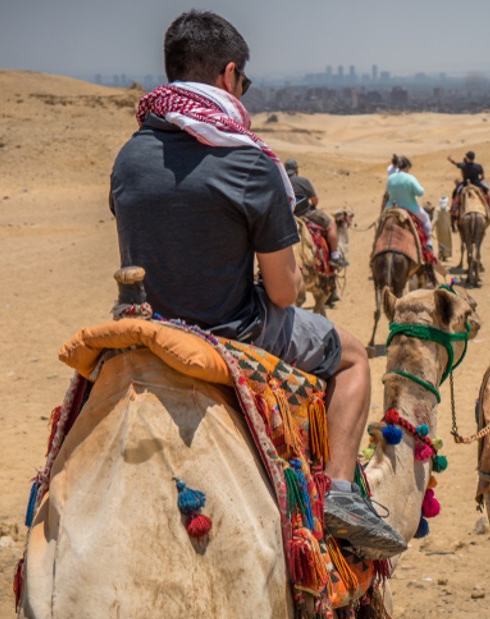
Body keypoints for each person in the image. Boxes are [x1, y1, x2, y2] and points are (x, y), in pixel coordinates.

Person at [109, 10, 405, 558]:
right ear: (228, 75)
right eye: (243, 82)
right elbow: (285, 294)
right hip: (231, 330)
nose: (243, 92)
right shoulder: (248, 161)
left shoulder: (129, 156)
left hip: (145, 329)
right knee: (355, 357)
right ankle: (341, 495)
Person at [285, 158, 347, 268]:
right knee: (331, 225)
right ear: (296, 170)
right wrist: (313, 206)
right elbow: (314, 200)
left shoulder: (280, 182)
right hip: (306, 214)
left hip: (287, 217)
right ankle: (334, 256)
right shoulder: (303, 181)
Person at [384, 156, 432, 249]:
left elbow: (389, 192)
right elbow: (420, 192)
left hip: (391, 207)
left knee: (381, 222)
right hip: (410, 207)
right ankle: (429, 242)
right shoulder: (410, 178)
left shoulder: (390, 178)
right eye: (409, 168)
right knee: (426, 218)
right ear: (406, 167)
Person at [447, 150, 490, 231]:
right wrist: (479, 180)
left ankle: (453, 214)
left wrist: (450, 159)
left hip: (465, 184)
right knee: (489, 193)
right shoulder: (478, 166)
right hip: (477, 183)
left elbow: (455, 163)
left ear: (467, 158)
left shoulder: (463, 165)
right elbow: (483, 177)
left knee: (456, 193)